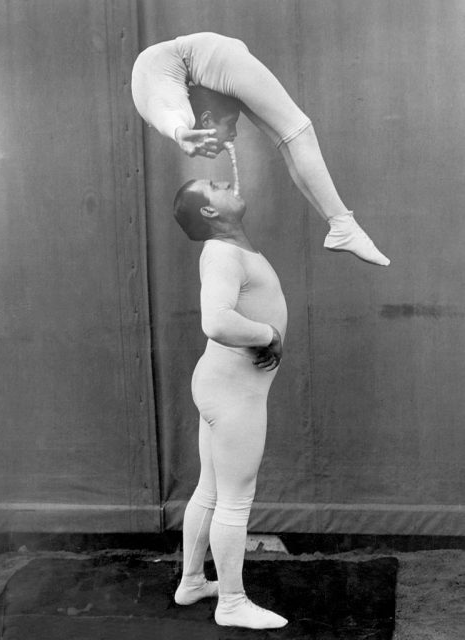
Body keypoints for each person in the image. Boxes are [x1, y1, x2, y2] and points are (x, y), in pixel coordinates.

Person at [132, 31, 390, 266]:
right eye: (232, 125)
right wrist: (179, 133)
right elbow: (172, 115)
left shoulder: (164, 106)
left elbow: (171, 113)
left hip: (205, 58)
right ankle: (340, 224)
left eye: (231, 125)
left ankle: (342, 224)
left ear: (207, 120)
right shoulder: (163, 103)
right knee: (287, 138)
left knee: (298, 130)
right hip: (202, 61)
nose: (233, 135)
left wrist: (180, 133)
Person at [172, 178, 288, 629]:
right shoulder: (222, 252)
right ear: (208, 213)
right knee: (236, 499)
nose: (226, 182)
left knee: (212, 490)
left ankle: (193, 582)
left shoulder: (235, 251)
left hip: (223, 385)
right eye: (215, 185)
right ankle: (233, 602)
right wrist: (268, 335)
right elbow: (216, 321)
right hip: (233, 391)